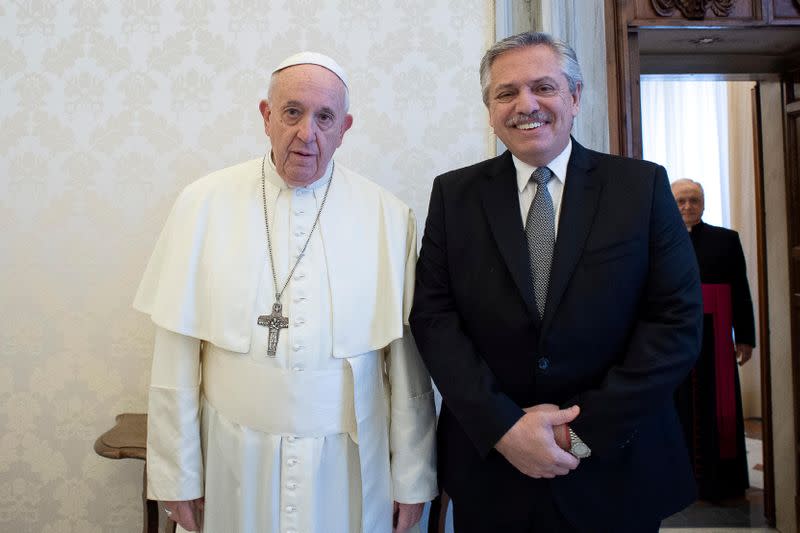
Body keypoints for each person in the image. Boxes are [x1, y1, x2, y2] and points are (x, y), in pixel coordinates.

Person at [409, 32, 702, 532]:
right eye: (506, 93)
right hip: (493, 468)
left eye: (543, 87)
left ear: (575, 97)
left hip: (618, 465)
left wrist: (579, 432)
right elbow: (434, 319)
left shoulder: (641, 187)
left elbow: (675, 322)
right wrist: (505, 427)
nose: (526, 105)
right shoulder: (453, 195)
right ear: (489, 108)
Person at [134, 51, 437, 533]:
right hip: (233, 455)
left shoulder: (387, 215)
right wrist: (177, 474)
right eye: (292, 112)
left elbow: (407, 363)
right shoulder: (202, 203)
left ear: (345, 127)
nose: (306, 133)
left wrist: (414, 477)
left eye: (325, 117)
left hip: (349, 461)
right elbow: (175, 354)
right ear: (265, 116)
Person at [671, 178, 756, 502]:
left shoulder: (726, 240)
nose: (688, 206)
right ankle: (679, 481)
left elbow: (741, 291)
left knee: (717, 406)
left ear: (703, 203)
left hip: (716, 342)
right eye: (681, 201)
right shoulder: (659, 238)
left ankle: (722, 483)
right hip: (675, 338)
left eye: (694, 200)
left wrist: (745, 337)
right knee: (677, 408)